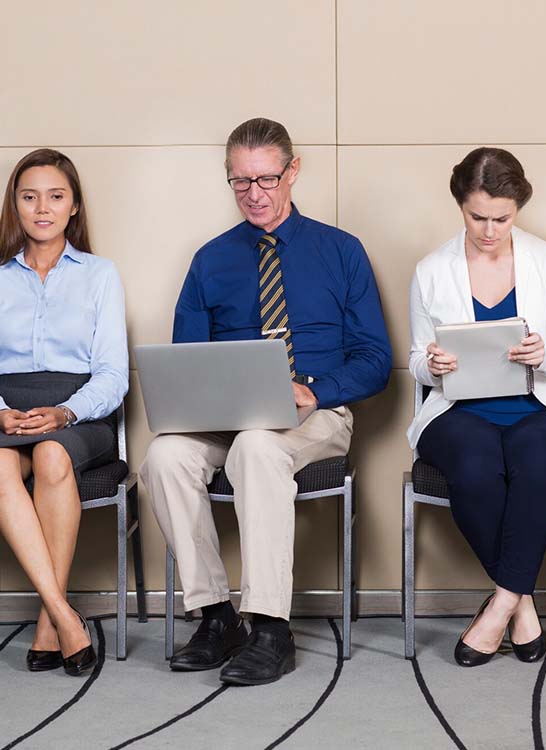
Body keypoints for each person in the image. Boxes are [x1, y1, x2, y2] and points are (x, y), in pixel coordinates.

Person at [140, 117, 391, 686]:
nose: (254, 194)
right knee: (164, 457)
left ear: (293, 171)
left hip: (316, 414)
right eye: (240, 182)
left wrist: (316, 390)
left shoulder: (341, 251)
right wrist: (209, 401)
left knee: (257, 447)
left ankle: (271, 627)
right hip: (225, 416)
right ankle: (215, 615)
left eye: (267, 179)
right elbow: (187, 358)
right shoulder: (210, 260)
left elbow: (376, 360)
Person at [407, 147, 546, 668]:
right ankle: (523, 603)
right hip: (458, 410)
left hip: (541, 407)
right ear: (460, 206)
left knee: (536, 462)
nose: (489, 231)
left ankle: (499, 609)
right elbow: (417, 360)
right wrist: (434, 366)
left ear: (519, 208)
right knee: (474, 465)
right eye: (477, 217)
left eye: (502, 218)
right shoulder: (430, 270)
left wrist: (543, 355)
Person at [0, 149, 129, 675]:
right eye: (29, 197)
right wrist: (1, 413)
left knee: (52, 456)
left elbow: (114, 375)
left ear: (74, 206)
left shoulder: (99, 275)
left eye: (56, 197)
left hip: (81, 415)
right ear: (16, 205)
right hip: (8, 413)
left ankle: (49, 622)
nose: (42, 209)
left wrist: (65, 412)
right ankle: (61, 615)